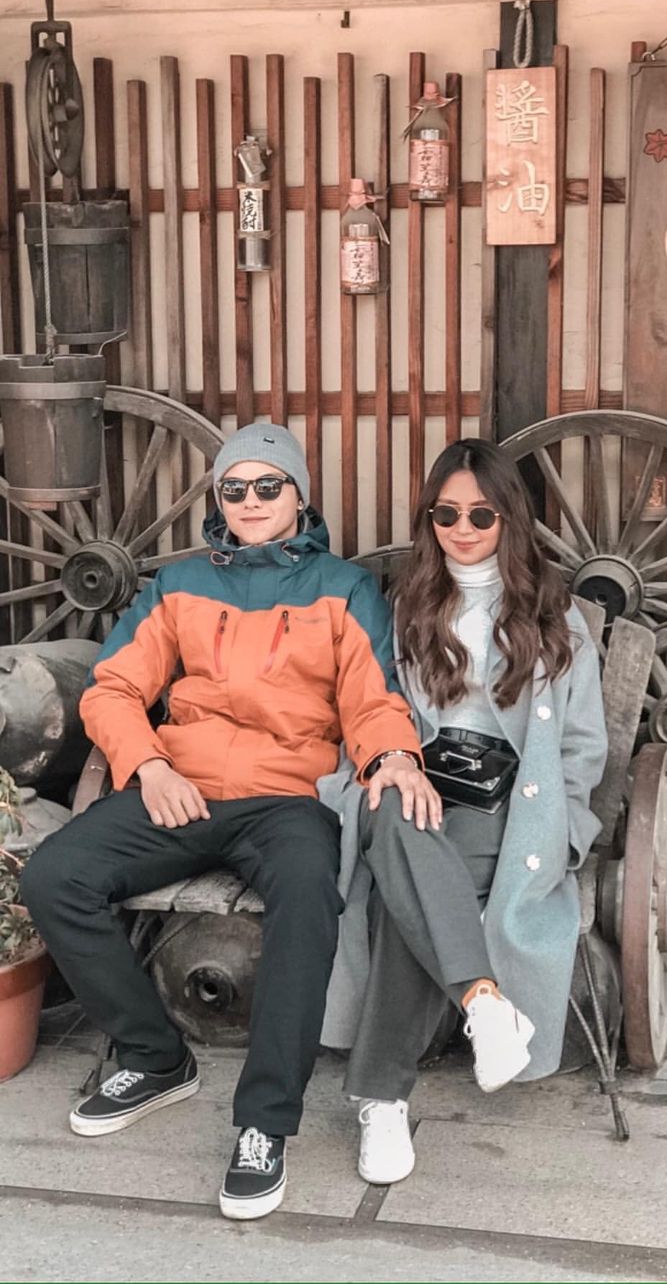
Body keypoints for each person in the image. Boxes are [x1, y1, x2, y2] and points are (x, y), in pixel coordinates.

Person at [22, 423, 437, 1222]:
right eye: (234, 489)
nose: (250, 502)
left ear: (300, 496)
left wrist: (394, 757)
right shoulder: (177, 583)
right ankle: (153, 1056)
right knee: (53, 877)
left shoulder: (343, 587)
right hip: (180, 785)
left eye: (267, 486)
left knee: (310, 894)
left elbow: (374, 699)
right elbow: (110, 688)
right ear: (218, 500)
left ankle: (263, 1123)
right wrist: (148, 765)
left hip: (287, 798)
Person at [320, 438, 607, 1187]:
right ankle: (484, 1005)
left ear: (510, 516)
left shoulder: (557, 617)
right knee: (393, 816)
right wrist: (394, 759)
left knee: (401, 892)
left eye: (481, 512)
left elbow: (581, 746)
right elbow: (373, 704)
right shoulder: (406, 603)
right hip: (411, 773)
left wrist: (568, 823)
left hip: (510, 803)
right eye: (445, 512)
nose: (463, 526)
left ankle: (381, 1099)